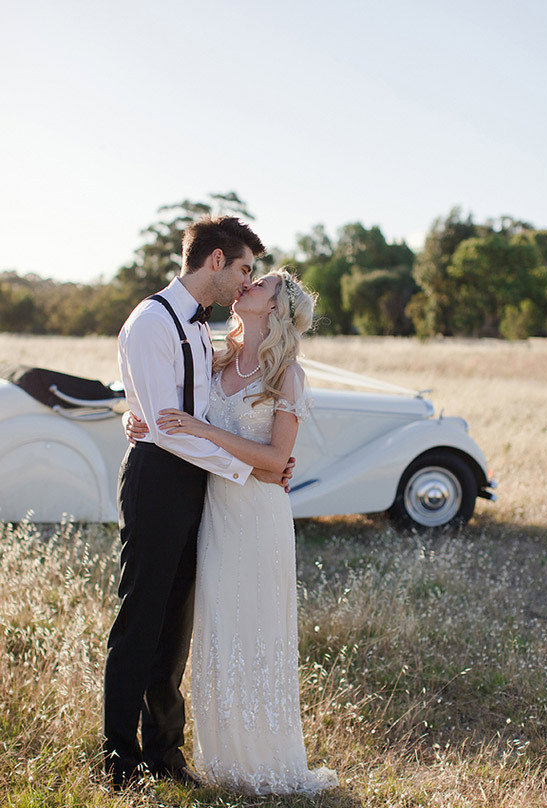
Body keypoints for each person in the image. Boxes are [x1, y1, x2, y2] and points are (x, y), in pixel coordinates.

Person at [129, 268, 338, 795]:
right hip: (213, 514)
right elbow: (162, 406)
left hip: (258, 519)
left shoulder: (287, 374)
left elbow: (274, 461)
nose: (246, 286)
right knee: (218, 634)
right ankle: (224, 761)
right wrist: (139, 423)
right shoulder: (217, 357)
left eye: (260, 283)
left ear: (276, 308)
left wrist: (203, 428)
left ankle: (267, 763)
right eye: (248, 277)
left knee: (257, 634)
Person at [103, 216, 291, 790]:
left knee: (175, 626)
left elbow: (198, 412)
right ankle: (118, 757)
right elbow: (168, 429)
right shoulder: (151, 322)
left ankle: (165, 751)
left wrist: (265, 459)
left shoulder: (201, 329)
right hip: (160, 481)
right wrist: (252, 468)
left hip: (199, 485)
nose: (244, 281)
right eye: (242, 269)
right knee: (141, 620)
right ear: (215, 261)